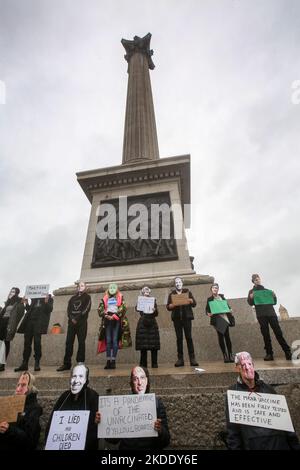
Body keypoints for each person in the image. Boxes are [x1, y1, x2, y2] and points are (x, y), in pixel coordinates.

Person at [225, 351, 300, 450]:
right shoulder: (234, 394)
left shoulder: (269, 389)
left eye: (249, 364)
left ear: (253, 365)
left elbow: (286, 424)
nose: (247, 368)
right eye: (243, 365)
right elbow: (233, 432)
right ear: (237, 368)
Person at [100, 365, 170, 450]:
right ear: (131, 383)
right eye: (135, 379)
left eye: (142, 378)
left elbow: (166, 441)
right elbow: (113, 440)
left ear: (147, 381)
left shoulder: (157, 404)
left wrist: (160, 430)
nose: (139, 382)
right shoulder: (122, 406)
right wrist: (102, 422)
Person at [45, 363, 100, 450]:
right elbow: (52, 423)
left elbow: (95, 430)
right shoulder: (64, 397)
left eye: (80, 376)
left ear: (86, 379)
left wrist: (96, 422)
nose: (76, 380)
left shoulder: (93, 397)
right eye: (74, 376)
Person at [247, 274, 291, 361]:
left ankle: (287, 352)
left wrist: (274, 296)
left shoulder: (267, 290)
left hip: (271, 314)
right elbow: (250, 303)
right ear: (253, 281)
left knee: (278, 333)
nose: (258, 281)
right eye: (255, 280)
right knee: (266, 335)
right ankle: (269, 354)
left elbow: (274, 302)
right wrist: (251, 298)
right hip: (261, 315)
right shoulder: (251, 292)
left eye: (258, 279)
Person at [0, 371, 43, 450]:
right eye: (18, 385)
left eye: (23, 385)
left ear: (30, 388)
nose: (18, 389)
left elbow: (30, 441)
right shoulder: (10, 404)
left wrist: (9, 429)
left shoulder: (34, 409)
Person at [57, 281, 91, 372]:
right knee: (68, 343)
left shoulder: (87, 297)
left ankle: (80, 362)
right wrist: (72, 318)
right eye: (79, 286)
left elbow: (86, 309)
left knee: (81, 342)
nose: (80, 287)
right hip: (71, 323)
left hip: (82, 323)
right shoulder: (72, 298)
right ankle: (66, 363)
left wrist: (77, 318)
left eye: (82, 286)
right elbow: (68, 310)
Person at [15, 294, 54, 372]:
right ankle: (24, 363)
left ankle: (37, 362)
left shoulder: (48, 297)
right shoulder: (34, 297)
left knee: (37, 342)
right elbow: (30, 309)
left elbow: (49, 309)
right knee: (27, 343)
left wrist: (46, 302)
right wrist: (26, 303)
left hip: (39, 323)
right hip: (29, 322)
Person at [166, 277, 198, 367]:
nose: (178, 283)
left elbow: (194, 304)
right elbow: (168, 306)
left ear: (182, 283)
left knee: (189, 338)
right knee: (179, 339)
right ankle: (180, 359)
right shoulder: (171, 294)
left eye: (179, 282)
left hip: (186, 318)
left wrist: (191, 301)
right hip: (177, 319)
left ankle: (192, 358)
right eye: (176, 282)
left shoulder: (187, 292)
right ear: (174, 284)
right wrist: (171, 306)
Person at [98, 283, 126, 370]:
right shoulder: (105, 297)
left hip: (116, 320)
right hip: (107, 321)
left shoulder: (120, 297)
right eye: (111, 287)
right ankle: (108, 361)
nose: (113, 289)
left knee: (114, 340)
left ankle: (113, 361)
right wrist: (105, 315)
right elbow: (100, 309)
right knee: (108, 340)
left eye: (114, 287)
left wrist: (114, 316)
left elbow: (123, 307)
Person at [206, 283, 235, 363]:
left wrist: (230, 309)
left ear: (218, 289)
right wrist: (208, 313)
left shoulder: (222, 297)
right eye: (213, 288)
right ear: (211, 290)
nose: (215, 289)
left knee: (227, 337)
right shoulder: (209, 299)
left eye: (216, 288)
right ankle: (225, 355)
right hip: (217, 319)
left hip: (225, 318)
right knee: (221, 337)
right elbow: (207, 310)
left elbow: (227, 306)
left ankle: (230, 355)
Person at [0, 287, 25, 372]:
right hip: (2, 322)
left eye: (13, 291)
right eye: (11, 291)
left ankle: (2, 364)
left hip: (10, 323)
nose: (11, 292)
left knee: (6, 343)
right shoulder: (8, 301)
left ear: (17, 293)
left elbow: (21, 313)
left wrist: (24, 303)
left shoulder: (19, 301)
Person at [135, 286, 160, 368]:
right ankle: (143, 363)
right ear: (142, 292)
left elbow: (156, 313)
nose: (146, 293)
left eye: (147, 291)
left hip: (152, 323)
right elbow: (137, 309)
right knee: (143, 346)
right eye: (145, 291)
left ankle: (154, 363)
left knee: (154, 345)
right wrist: (140, 302)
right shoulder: (140, 300)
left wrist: (154, 310)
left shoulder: (153, 300)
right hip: (143, 323)